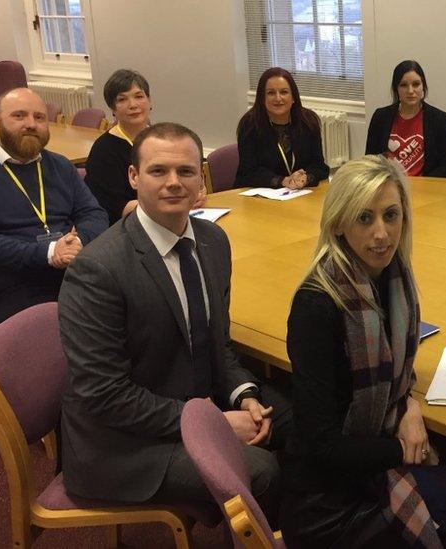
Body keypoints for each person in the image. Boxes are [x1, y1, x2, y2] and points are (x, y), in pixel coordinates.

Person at [58, 122, 280, 515]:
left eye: (186, 172)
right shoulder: (98, 270)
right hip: (122, 445)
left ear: (201, 180)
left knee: (303, 423)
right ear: (133, 177)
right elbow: (105, 396)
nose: (174, 183)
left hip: (186, 399)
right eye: (158, 171)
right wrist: (213, 424)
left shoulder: (212, 242)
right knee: (262, 469)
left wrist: (243, 395)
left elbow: (218, 344)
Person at [279, 155, 446, 546]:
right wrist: (403, 448)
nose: (382, 234)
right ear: (338, 222)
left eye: (391, 215)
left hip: (370, 467)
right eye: (364, 218)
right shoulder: (317, 306)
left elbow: (394, 376)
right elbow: (322, 447)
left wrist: (410, 406)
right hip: (328, 502)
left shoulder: (393, 281)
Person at [0, 87, 107, 333]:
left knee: (134, 303)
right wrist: (49, 252)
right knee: (79, 326)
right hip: (7, 287)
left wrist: (78, 242)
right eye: (19, 116)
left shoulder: (60, 165)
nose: (31, 124)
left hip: (70, 273)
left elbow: (94, 214)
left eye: (39, 117)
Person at [366, 60, 446, 179]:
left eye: (416, 84)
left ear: (423, 87)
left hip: (427, 189)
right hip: (389, 188)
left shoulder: (440, 119)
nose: (411, 91)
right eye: (404, 85)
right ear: (396, 89)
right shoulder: (380, 117)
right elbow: (370, 162)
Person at [236, 67, 330, 189]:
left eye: (284, 92)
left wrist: (305, 178)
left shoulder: (308, 122)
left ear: (293, 97)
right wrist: (283, 181)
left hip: (298, 194)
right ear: (262, 98)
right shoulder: (249, 125)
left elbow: (319, 167)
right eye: (271, 93)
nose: (278, 98)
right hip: (258, 195)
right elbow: (248, 173)